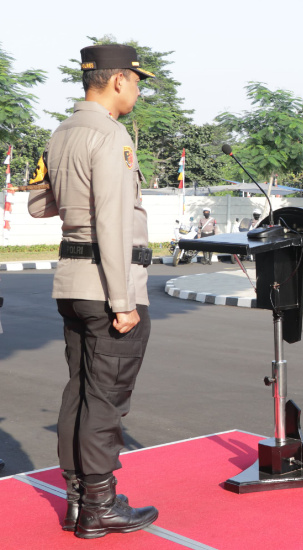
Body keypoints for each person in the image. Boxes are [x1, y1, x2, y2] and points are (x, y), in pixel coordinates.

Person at [26, 43, 159, 539]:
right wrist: (123, 302)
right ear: (119, 79)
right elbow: (112, 220)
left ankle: (79, 502)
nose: (139, 91)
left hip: (72, 283)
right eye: (138, 82)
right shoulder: (111, 135)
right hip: (108, 286)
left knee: (79, 393)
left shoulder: (62, 132)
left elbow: (39, 206)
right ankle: (100, 506)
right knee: (105, 399)